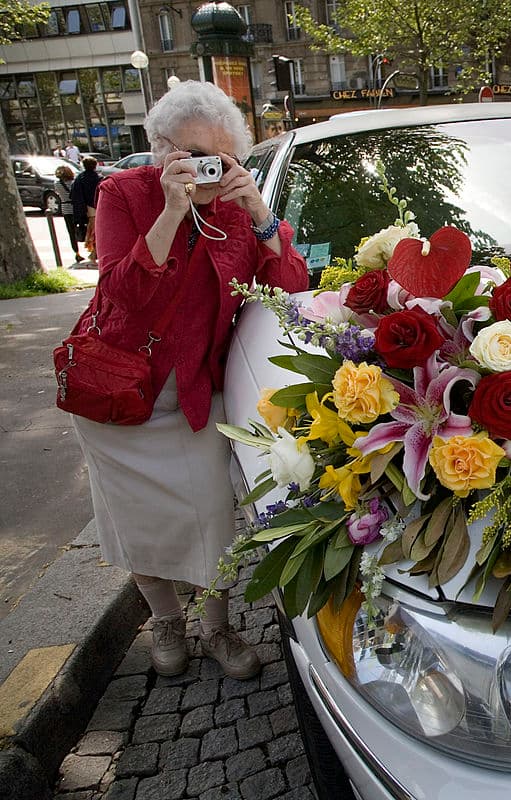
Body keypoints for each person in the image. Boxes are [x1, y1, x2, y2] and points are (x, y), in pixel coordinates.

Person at [66, 80, 309, 679]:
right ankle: (167, 621)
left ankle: (217, 627)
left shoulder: (234, 210)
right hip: (120, 393)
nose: (209, 171)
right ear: (162, 148)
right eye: (196, 155)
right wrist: (173, 212)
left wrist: (258, 212)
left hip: (199, 392)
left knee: (212, 521)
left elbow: (293, 290)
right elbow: (121, 292)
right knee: (138, 523)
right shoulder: (124, 193)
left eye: (223, 159)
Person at [70, 157, 102, 262]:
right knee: (97, 230)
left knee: (93, 230)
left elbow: (75, 195)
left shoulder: (80, 179)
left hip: (88, 209)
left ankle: (94, 252)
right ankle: (95, 252)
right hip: (99, 206)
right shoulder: (99, 178)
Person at [53, 165, 85, 263]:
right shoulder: (74, 182)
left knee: (71, 232)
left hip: (65, 209)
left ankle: (77, 253)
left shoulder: (57, 184)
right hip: (75, 208)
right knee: (83, 228)